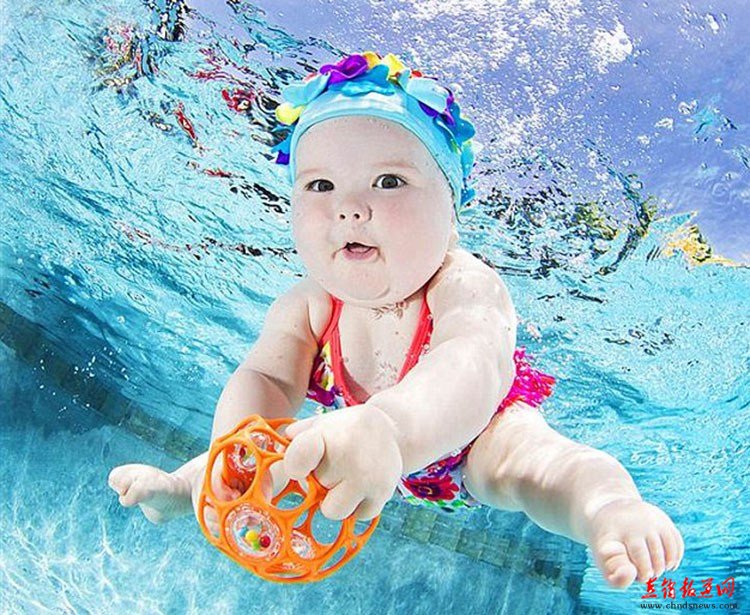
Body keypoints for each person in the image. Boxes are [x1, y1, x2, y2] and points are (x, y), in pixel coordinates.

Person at [108, 51, 683, 589]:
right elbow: (268, 381)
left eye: (389, 181)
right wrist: (234, 452)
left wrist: (389, 429)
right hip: (358, 447)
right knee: (275, 444)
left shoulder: (465, 284)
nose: (349, 207)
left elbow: (472, 362)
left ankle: (608, 506)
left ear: (451, 213)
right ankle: (191, 486)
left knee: (525, 465)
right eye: (321, 184)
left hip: (470, 438)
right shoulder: (307, 305)